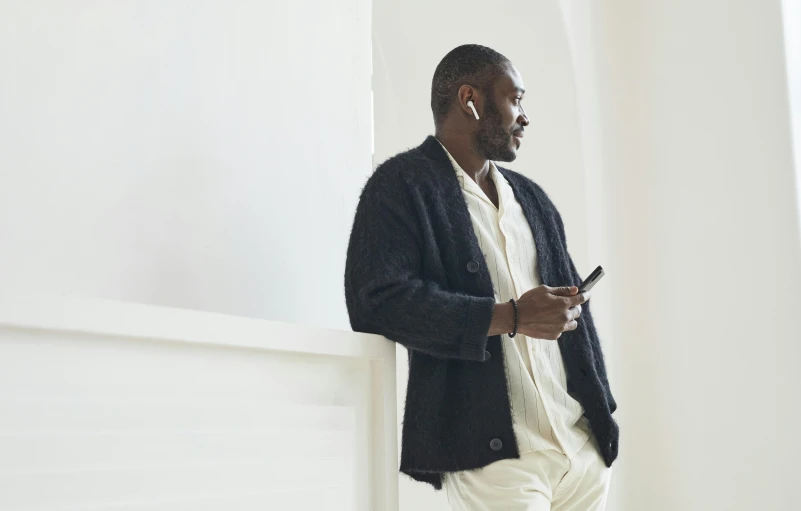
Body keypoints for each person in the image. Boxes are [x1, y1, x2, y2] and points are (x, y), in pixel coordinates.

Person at [344, 44, 618, 510]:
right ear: (469, 99)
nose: (525, 117)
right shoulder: (400, 186)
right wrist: (508, 317)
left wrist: (599, 414)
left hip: (578, 447)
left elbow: (572, 324)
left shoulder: (531, 198)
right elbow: (376, 300)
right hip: (496, 460)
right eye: (516, 99)